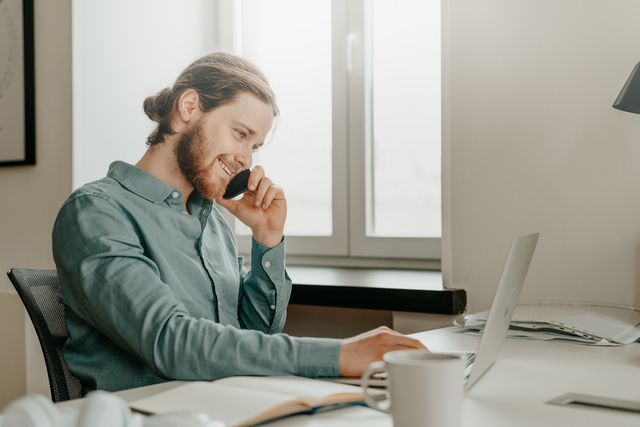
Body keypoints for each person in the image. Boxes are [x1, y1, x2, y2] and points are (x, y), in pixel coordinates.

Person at [52, 51, 425, 396]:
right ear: (189, 107)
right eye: (240, 134)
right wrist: (338, 354)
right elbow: (170, 342)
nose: (245, 160)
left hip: (228, 405)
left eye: (255, 147)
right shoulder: (96, 212)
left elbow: (252, 337)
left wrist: (267, 236)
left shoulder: (212, 220)